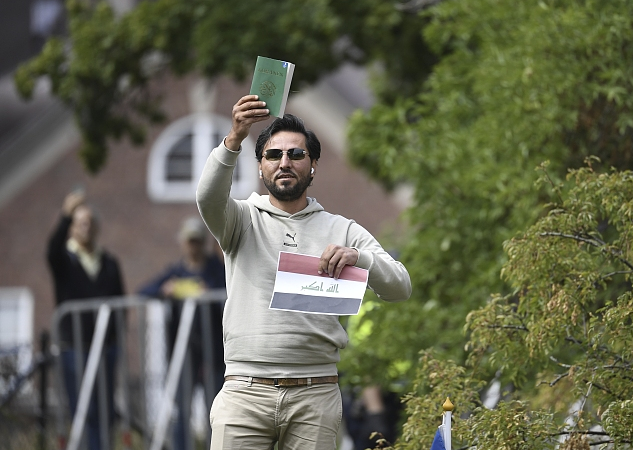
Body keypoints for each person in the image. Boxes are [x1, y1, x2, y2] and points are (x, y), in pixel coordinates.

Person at [197, 95, 412, 450]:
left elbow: (400, 286)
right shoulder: (240, 218)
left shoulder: (342, 229)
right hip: (244, 393)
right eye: (273, 154)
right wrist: (233, 138)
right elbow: (207, 199)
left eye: (296, 154)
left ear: (313, 166)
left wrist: (359, 257)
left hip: (316, 394)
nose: (285, 162)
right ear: (261, 165)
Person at [138, 216, 226, 450]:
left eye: (197, 241)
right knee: (181, 410)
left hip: (214, 354)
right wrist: (164, 290)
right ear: (182, 243)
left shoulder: (217, 269)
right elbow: (143, 291)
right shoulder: (175, 271)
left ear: (204, 242)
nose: (193, 246)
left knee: (215, 411)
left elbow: (231, 290)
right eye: (189, 241)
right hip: (183, 353)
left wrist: (209, 291)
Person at [47, 190, 125, 450]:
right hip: (75, 349)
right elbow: (51, 251)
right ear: (71, 227)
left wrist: (115, 337)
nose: (86, 227)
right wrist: (66, 214)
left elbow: (120, 302)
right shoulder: (64, 261)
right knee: (84, 411)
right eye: (80, 222)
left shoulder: (109, 261)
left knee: (105, 413)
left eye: (90, 222)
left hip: (106, 348)